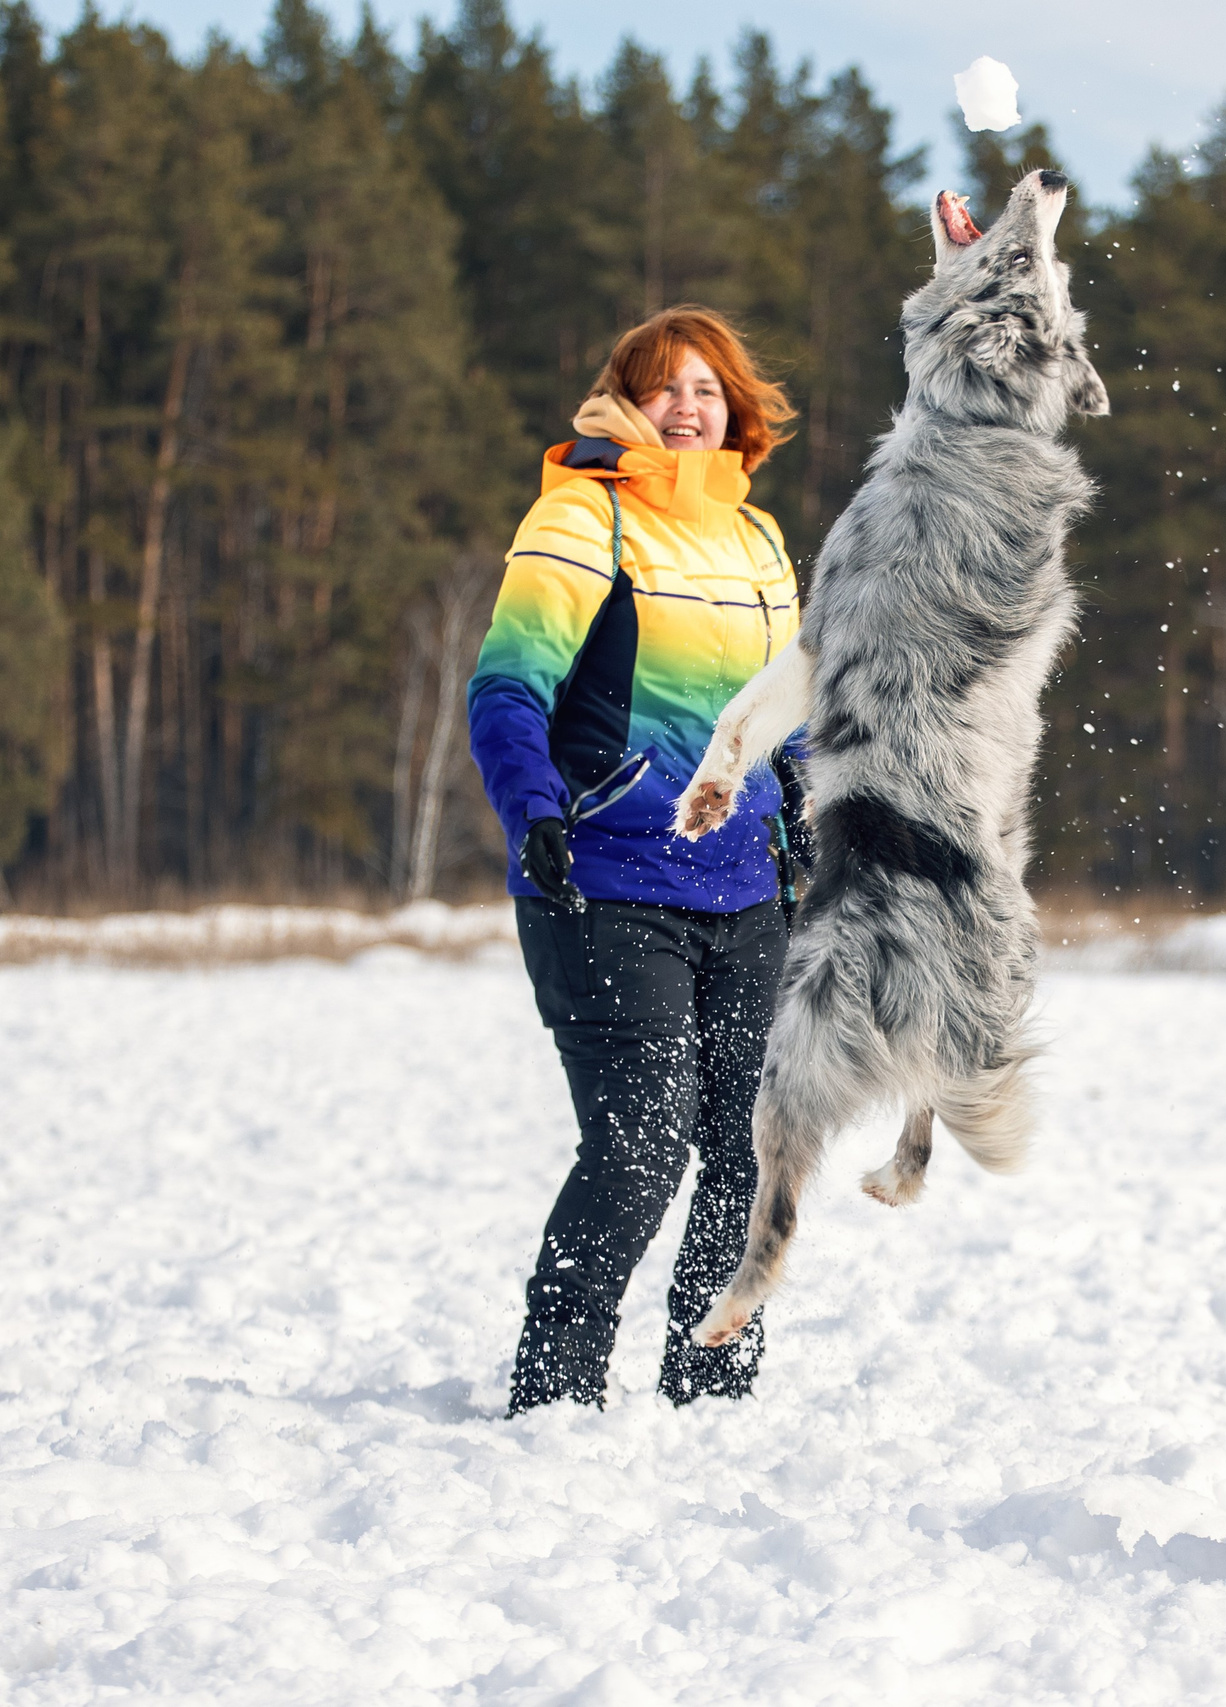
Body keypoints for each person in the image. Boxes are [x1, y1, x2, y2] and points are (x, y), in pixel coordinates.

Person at [467, 306, 804, 1414]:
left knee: (752, 1153)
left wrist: (813, 808)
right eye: (666, 388)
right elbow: (508, 684)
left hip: (746, 887)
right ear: (625, 402)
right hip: (604, 880)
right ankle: (557, 1386)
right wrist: (534, 809)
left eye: (708, 390)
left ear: (736, 408)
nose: (689, 407)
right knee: (641, 1147)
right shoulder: (582, 516)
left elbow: (783, 713)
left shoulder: (757, 539)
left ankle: (713, 1381)